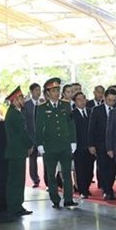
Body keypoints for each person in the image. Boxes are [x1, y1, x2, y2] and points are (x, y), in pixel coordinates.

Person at [35, 77, 78, 209]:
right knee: (51, 175)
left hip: (64, 145)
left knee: (66, 173)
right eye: (54, 90)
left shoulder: (65, 105)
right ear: (47, 93)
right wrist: (40, 144)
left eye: (58, 90)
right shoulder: (41, 108)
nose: (57, 92)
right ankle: (55, 199)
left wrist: (73, 141)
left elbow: (71, 124)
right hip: (50, 146)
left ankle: (68, 199)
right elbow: (38, 127)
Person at [3, 86, 33, 216]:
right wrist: (30, 144)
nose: (23, 100)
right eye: (21, 97)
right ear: (15, 100)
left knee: (16, 180)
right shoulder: (15, 114)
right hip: (17, 152)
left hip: (15, 152)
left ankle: (15, 205)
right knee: (17, 180)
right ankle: (15, 206)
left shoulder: (13, 112)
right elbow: (22, 134)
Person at [88, 88, 116, 200]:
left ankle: (110, 188)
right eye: (109, 100)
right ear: (104, 98)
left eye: (114, 100)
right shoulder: (96, 110)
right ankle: (106, 190)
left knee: (113, 168)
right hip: (101, 144)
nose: (111, 102)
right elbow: (91, 129)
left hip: (115, 145)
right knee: (103, 167)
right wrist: (91, 145)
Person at [71, 92, 95, 198]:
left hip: (90, 146)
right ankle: (82, 190)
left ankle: (87, 187)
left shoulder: (91, 112)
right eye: (79, 99)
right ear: (75, 101)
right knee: (80, 169)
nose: (81, 101)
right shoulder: (72, 114)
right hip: (78, 147)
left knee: (89, 170)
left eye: (83, 99)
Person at [23, 83, 42, 188]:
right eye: (36, 90)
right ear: (31, 92)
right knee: (32, 159)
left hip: (42, 137)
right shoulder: (26, 105)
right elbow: (25, 122)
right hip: (31, 136)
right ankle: (35, 179)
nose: (38, 92)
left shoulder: (43, 103)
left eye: (39, 90)